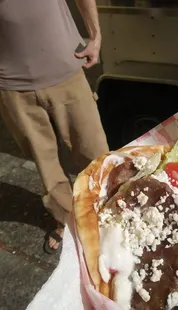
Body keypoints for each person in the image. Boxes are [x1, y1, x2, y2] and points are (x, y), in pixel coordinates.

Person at [0, 0, 109, 253]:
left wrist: (95, 36)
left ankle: (106, 212)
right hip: (12, 86)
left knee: (95, 153)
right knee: (46, 164)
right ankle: (66, 221)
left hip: (66, 70)